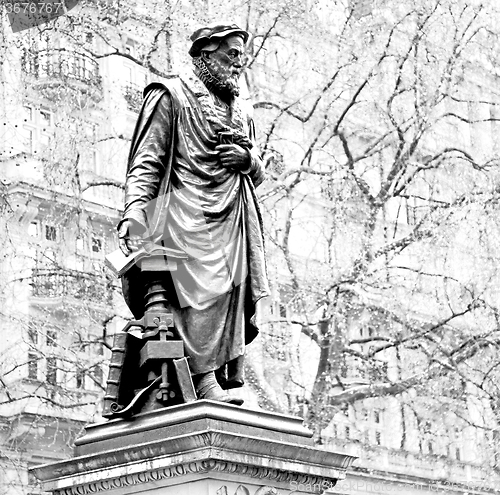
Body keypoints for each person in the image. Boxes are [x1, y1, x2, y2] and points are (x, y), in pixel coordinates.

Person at [117, 24, 269, 405]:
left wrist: (248, 160)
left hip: (234, 213)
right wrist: (134, 211)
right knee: (201, 294)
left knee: (230, 294)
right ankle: (202, 381)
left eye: (242, 57)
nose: (239, 64)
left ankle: (216, 376)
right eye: (232, 54)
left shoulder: (241, 108)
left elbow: (260, 171)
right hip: (187, 213)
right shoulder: (170, 95)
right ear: (205, 53)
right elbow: (147, 161)